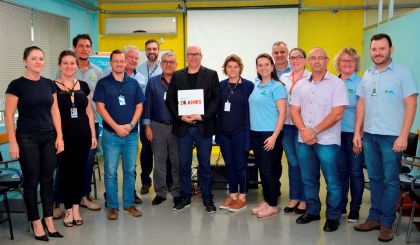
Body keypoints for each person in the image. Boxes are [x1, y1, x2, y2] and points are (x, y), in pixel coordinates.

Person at [353, 33, 417, 242]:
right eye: (374, 49)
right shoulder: (368, 74)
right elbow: (361, 104)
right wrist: (357, 132)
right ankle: (374, 217)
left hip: (392, 138)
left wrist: (403, 136)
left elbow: (411, 104)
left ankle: (387, 223)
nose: (377, 53)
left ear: (391, 49)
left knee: (390, 181)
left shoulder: (403, 73)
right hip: (370, 135)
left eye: (381, 48)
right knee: (376, 179)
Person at [5, 46, 64, 241]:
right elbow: (9, 115)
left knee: (48, 180)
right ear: (25, 61)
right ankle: (36, 221)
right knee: (31, 182)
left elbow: (55, 112)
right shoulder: (16, 85)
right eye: (33, 58)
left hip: (48, 136)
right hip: (27, 138)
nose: (38, 62)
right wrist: (13, 142)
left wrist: (60, 136)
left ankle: (48, 219)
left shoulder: (49, 84)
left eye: (41, 58)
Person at [290, 47, 348, 232]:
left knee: (332, 181)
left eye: (320, 58)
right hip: (304, 140)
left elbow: (337, 113)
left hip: (328, 141)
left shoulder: (337, 84)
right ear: (308, 61)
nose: (316, 61)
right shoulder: (300, 85)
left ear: (326, 60)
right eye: (313, 58)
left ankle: (333, 216)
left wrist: (313, 131)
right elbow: (294, 111)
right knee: (308, 179)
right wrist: (304, 132)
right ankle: (313, 211)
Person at [53, 34, 102, 219]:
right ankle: (60, 201)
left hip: (88, 128)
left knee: (85, 166)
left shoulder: (97, 71)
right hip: (64, 132)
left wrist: (93, 134)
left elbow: (92, 106)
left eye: (88, 46)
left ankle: (82, 198)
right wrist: (58, 135)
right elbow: (54, 109)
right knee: (64, 168)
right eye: (80, 46)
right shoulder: (57, 79)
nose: (84, 49)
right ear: (75, 48)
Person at [166, 45, 220, 213]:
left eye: (196, 54)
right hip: (183, 128)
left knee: (204, 165)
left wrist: (202, 116)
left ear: (201, 56)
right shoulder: (177, 75)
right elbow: (171, 100)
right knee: (184, 166)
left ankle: (207, 198)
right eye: (190, 54)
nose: (194, 57)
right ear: (186, 57)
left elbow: (215, 99)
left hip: (203, 127)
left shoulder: (211, 75)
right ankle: (185, 197)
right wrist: (180, 116)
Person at [93, 50, 145, 220]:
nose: (119, 64)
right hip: (110, 135)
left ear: (125, 62)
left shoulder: (134, 83)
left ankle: (129, 204)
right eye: (116, 61)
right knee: (110, 172)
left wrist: (130, 126)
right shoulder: (102, 84)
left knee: (130, 171)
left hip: (130, 136)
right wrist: (116, 127)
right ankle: (113, 206)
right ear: (111, 62)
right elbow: (100, 107)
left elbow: (139, 106)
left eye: (122, 61)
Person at [249, 53, 286, 218]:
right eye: (260, 65)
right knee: (262, 170)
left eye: (266, 64)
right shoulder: (256, 84)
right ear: (257, 68)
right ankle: (267, 200)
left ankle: (272, 205)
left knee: (268, 170)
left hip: (269, 134)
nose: (263, 67)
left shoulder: (277, 86)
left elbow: (283, 114)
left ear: (272, 67)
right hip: (255, 133)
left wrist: (274, 136)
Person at [217, 54, 254, 212]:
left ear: (240, 68)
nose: (232, 69)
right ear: (225, 69)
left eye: (235, 66)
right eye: (229, 66)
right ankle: (232, 195)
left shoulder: (248, 86)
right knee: (230, 165)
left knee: (241, 165)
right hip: (224, 133)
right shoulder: (220, 85)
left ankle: (242, 197)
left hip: (241, 132)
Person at [143, 52, 181, 206]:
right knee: (158, 161)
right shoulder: (153, 82)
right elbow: (148, 105)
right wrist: (147, 126)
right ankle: (160, 192)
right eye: (165, 61)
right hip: (157, 126)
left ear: (176, 64)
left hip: (178, 127)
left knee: (176, 161)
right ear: (161, 63)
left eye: (172, 62)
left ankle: (177, 191)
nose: (168, 64)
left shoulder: (181, 81)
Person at [333, 48, 364, 222]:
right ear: (338, 63)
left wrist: (358, 135)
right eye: (344, 60)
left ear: (356, 64)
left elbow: (364, 111)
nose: (347, 63)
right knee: (340, 172)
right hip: (334, 135)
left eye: (351, 61)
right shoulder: (332, 82)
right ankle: (342, 205)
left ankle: (355, 208)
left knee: (355, 172)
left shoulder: (361, 83)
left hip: (353, 135)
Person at [279, 48, 311, 214]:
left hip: (303, 126)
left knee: (304, 162)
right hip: (287, 126)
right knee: (292, 162)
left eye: (299, 57)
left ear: (305, 59)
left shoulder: (310, 78)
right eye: (292, 58)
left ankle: (305, 199)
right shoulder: (283, 78)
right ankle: (294, 198)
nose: (295, 60)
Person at [137, 39, 163, 195]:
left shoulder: (165, 68)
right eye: (148, 49)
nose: (151, 51)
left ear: (158, 50)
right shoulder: (138, 69)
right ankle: (146, 182)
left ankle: (165, 181)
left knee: (163, 152)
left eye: (154, 48)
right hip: (143, 115)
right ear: (145, 51)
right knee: (146, 151)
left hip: (160, 115)